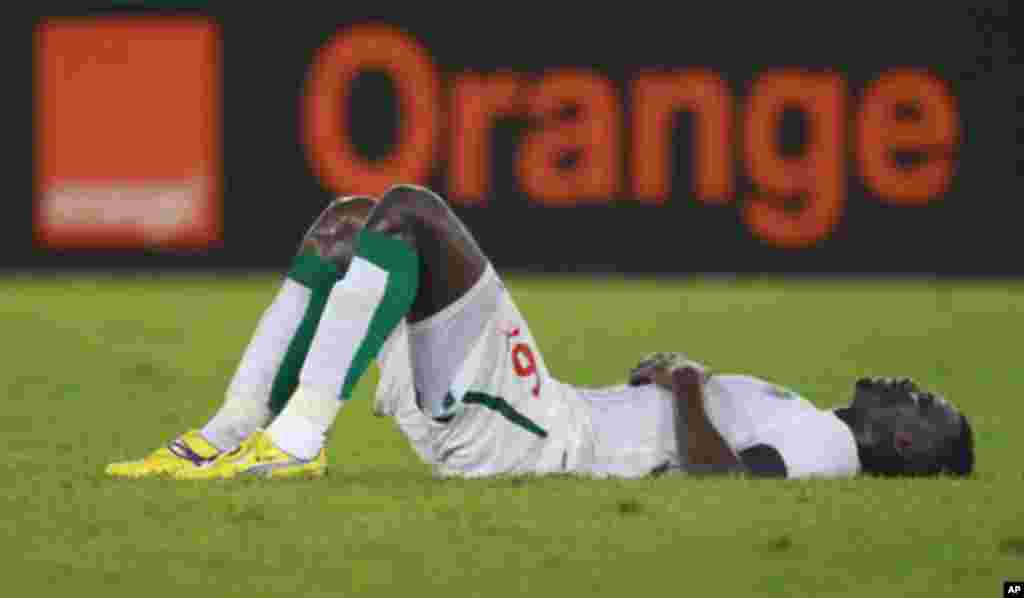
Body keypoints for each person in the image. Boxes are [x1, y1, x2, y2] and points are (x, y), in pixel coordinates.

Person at [106, 186, 974, 480]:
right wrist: (674, 387)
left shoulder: (834, 449)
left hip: (542, 441)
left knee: (408, 214)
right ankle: (228, 435)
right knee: (348, 225)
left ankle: (294, 441)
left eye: (928, 407)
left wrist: (682, 387)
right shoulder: (815, 426)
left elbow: (732, 488)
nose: (912, 388)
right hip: (536, 420)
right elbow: (703, 449)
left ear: (908, 442)